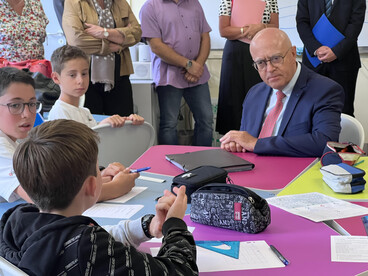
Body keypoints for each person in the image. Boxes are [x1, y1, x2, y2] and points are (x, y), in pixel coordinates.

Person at [0, 119, 197, 275]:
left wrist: (147, 227)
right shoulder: (87, 247)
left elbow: (91, 238)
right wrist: (175, 226)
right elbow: (180, 271)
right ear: (92, 186)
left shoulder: (16, 221)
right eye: (98, 168)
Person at [0, 67, 136, 203]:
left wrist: (98, 179)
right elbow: (45, 198)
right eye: (15, 105)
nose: (28, 114)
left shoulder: (14, 141)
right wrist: (116, 187)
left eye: (32, 103)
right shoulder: (2, 147)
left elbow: (51, 184)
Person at [220, 28, 344, 157]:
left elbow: (325, 143)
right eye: (261, 63)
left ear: (293, 53)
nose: (270, 69)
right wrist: (237, 144)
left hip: (295, 173)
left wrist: (256, 144)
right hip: (253, 170)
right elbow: (247, 140)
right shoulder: (254, 93)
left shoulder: (325, 90)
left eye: (276, 58)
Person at [140, 0, 213, 146]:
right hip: (169, 75)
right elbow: (156, 46)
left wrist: (197, 66)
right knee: (169, 124)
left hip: (198, 75)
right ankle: (169, 166)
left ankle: (203, 162)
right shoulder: (150, 7)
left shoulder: (194, 3)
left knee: (206, 120)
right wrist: (188, 64)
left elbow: (205, 37)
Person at [62, 0, 142, 116]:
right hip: (86, 76)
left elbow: (137, 33)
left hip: (120, 74)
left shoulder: (121, 2)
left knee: (122, 126)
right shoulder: (74, 2)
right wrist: (117, 43)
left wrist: (106, 33)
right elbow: (76, 40)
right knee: (90, 127)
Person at [216, 0, 279, 135]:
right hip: (235, 53)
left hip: (261, 51)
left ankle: (257, 138)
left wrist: (261, 27)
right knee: (232, 98)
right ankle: (231, 141)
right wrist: (246, 31)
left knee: (259, 96)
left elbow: (275, 26)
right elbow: (224, 30)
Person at [296, 0, 366, 117]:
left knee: (343, 112)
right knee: (311, 111)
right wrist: (316, 48)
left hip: (344, 62)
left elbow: (356, 23)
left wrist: (336, 51)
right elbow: (302, 22)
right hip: (313, 62)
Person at [48, 45, 144, 128]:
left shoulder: (85, 112)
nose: (80, 81)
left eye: (84, 73)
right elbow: (76, 146)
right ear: (56, 78)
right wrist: (102, 125)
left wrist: (127, 122)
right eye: (72, 75)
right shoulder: (59, 112)